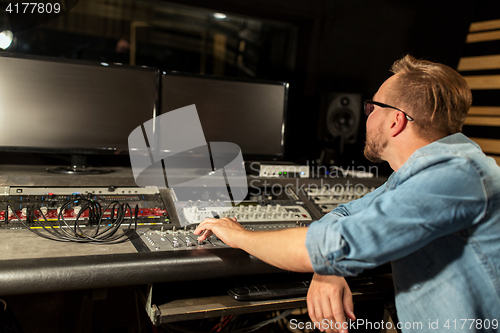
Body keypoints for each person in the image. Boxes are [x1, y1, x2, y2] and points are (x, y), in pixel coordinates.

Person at [194, 55, 500, 333]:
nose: (366, 116)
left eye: (372, 107)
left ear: (395, 120)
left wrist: (239, 236)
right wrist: (329, 268)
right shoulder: (417, 176)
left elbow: (331, 245)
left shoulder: (454, 176)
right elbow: (342, 219)